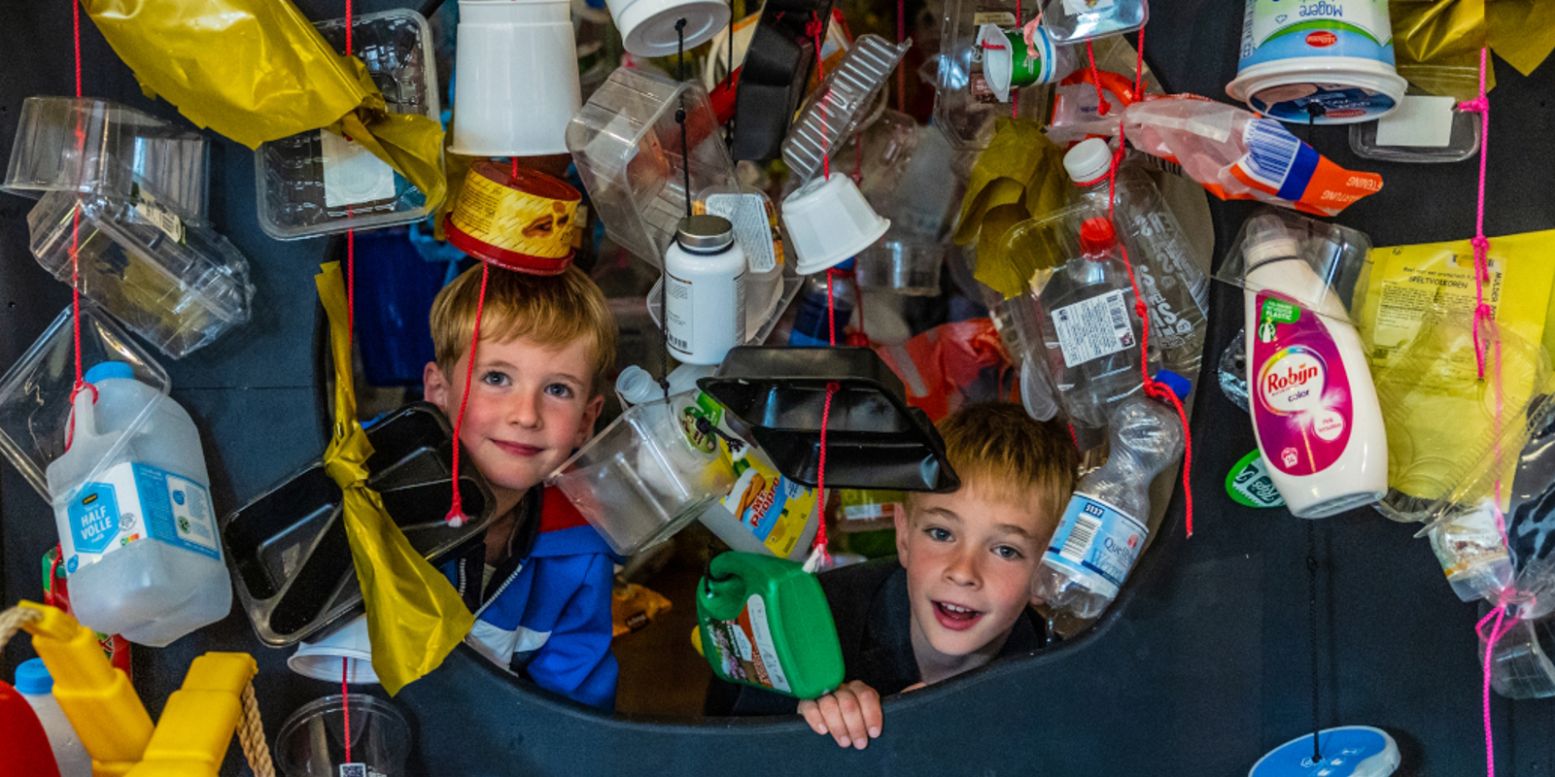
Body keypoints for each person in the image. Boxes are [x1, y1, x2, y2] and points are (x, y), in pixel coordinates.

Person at [707, 402, 1078, 748]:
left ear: (1049, 573)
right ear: (903, 536)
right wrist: (806, 733)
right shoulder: (801, 628)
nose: (964, 572)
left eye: (1005, 551)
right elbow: (726, 753)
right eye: (941, 533)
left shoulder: (1060, 680)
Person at [422, 263, 620, 710]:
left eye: (557, 389)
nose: (526, 414)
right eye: (497, 378)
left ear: (586, 421)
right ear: (439, 389)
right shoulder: (371, 504)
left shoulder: (581, 553)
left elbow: (574, 719)